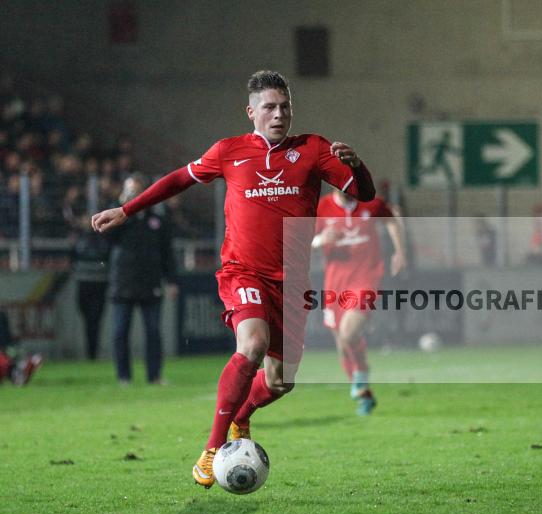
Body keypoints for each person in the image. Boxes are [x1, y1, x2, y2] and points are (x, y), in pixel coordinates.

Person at [91, 70, 375, 487]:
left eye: (285, 107)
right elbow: (178, 180)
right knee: (253, 343)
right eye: (269, 108)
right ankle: (212, 448)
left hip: (292, 284)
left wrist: (358, 166)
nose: (279, 115)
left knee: (281, 382)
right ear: (251, 112)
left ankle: (242, 416)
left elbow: (363, 193)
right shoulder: (229, 151)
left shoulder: (312, 149)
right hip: (243, 271)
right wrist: (128, 209)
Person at [313, 188, 406, 415]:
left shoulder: (370, 203)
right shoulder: (321, 207)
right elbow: (302, 238)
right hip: (335, 283)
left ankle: (361, 374)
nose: (351, 190)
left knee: (348, 333)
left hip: (366, 278)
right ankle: (364, 394)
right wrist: (320, 240)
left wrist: (400, 251)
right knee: (342, 345)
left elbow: (392, 219)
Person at [106, 173, 177, 384]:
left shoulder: (158, 220)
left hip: (150, 282)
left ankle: (154, 375)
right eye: (129, 191)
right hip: (123, 282)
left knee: (153, 332)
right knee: (119, 332)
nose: (133, 195)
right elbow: (106, 239)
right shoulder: (119, 219)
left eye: (137, 191)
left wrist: (172, 281)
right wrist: (121, 207)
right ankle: (123, 376)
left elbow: (167, 253)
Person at [71, 214, 110, 360]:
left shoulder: (102, 238)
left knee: (95, 319)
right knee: (89, 318)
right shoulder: (80, 239)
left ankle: (92, 352)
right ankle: (91, 352)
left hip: (98, 283)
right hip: (85, 283)